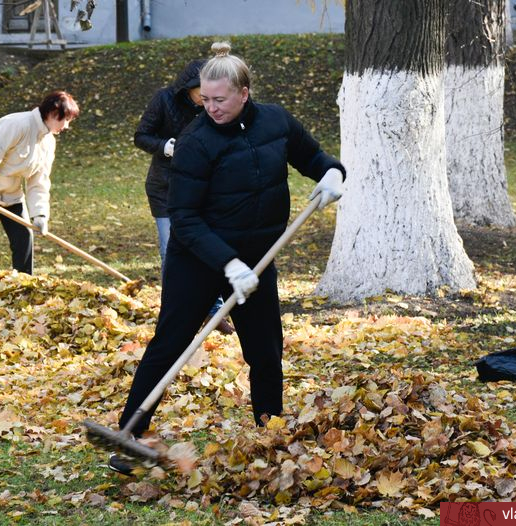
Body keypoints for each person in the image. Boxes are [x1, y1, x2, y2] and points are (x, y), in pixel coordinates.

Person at [108, 42, 345, 475]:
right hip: (198, 260)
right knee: (170, 343)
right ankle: (131, 434)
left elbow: (311, 156)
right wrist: (228, 264)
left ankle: (270, 434)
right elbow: (183, 216)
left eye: (219, 99)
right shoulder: (196, 141)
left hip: (256, 260)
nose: (210, 107)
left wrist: (332, 172)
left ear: (244, 93)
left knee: (266, 350)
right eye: (205, 98)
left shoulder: (276, 121)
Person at [134, 59, 234, 335]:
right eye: (201, 94)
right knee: (172, 253)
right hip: (164, 189)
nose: (206, 101)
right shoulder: (163, 100)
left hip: (202, 190)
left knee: (206, 248)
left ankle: (213, 311)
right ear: (188, 88)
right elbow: (141, 135)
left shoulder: (213, 108)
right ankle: (176, 311)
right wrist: (166, 147)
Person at [0, 91, 79, 278]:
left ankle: (24, 285)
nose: (67, 126)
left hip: (10, 192)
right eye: (66, 120)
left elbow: (39, 181)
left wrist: (40, 214)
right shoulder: (16, 124)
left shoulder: (48, 142)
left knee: (24, 237)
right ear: (53, 113)